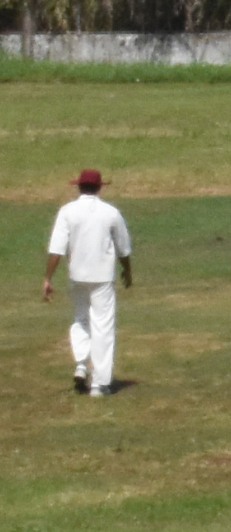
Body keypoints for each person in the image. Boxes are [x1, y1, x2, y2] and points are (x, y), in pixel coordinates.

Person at [43, 167, 132, 396]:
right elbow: (123, 248)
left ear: (79, 186)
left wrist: (47, 278)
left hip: (77, 275)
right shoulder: (110, 212)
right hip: (102, 276)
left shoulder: (67, 211)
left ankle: (81, 365)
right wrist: (128, 272)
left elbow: (56, 249)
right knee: (102, 326)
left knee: (80, 319)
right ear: (100, 187)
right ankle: (99, 384)